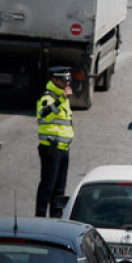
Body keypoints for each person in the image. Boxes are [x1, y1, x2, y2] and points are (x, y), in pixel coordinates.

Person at [35, 66, 74, 217]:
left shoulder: (61, 97)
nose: (67, 84)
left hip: (63, 148)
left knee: (60, 187)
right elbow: (44, 115)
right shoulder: (48, 97)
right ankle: (40, 216)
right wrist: (61, 100)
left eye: (69, 80)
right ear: (54, 80)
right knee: (47, 185)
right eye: (64, 81)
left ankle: (56, 218)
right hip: (51, 147)